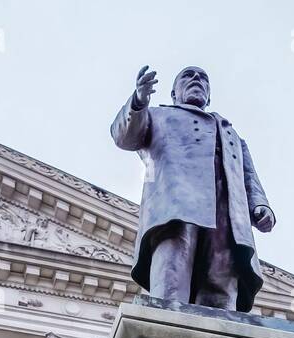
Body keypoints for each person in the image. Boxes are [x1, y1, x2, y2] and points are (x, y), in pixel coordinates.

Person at [111, 65, 275, 313]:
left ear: (208, 97)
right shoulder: (156, 115)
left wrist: (259, 205)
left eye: (203, 78)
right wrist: (138, 100)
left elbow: (248, 175)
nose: (197, 79)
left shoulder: (230, 133)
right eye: (188, 76)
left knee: (220, 294)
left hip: (226, 219)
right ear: (174, 93)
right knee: (170, 285)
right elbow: (125, 137)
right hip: (174, 211)